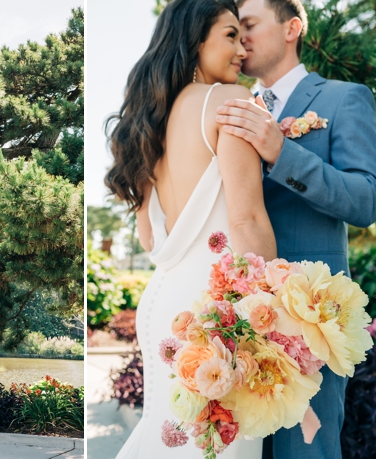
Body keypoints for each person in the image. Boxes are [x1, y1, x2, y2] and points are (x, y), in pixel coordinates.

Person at [104, 0, 274, 456]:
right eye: (230, 36)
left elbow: (150, 239)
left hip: (163, 305)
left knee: (171, 437)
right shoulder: (231, 102)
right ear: (196, 40)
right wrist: (278, 312)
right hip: (217, 313)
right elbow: (247, 219)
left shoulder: (147, 125)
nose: (243, 49)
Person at [215, 1, 376, 457]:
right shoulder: (227, 106)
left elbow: (368, 199)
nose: (240, 37)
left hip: (311, 318)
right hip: (234, 317)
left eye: (249, 25)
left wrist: (281, 151)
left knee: (306, 451)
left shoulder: (343, 97)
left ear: (291, 27)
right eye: (233, 29)